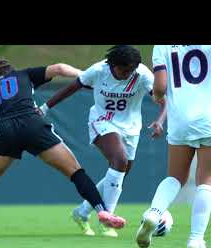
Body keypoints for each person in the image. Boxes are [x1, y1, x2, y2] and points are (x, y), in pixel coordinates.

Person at [0, 59, 126, 236]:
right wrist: (86, 77)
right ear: (12, 71)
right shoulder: (24, 75)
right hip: (32, 125)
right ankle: (102, 211)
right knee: (76, 172)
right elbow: (60, 68)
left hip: (6, 132)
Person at [39, 45, 166, 237]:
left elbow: (164, 100)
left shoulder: (142, 75)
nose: (127, 74)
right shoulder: (98, 71)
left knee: (118, 173)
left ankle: (81, 212)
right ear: (112, 65)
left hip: (131, 128)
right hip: (102, 121)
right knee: (120, 162)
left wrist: (159, 121)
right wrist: (44, 108)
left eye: (130, 70)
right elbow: (71, 88)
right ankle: (108, 220)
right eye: (123, 70)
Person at [135, 45, 211, 248]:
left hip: (181, 118)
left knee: (175, 177)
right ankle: (196, 239)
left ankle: (154, 212)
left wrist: (157, 97)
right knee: (206, 178)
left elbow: (160, 87)